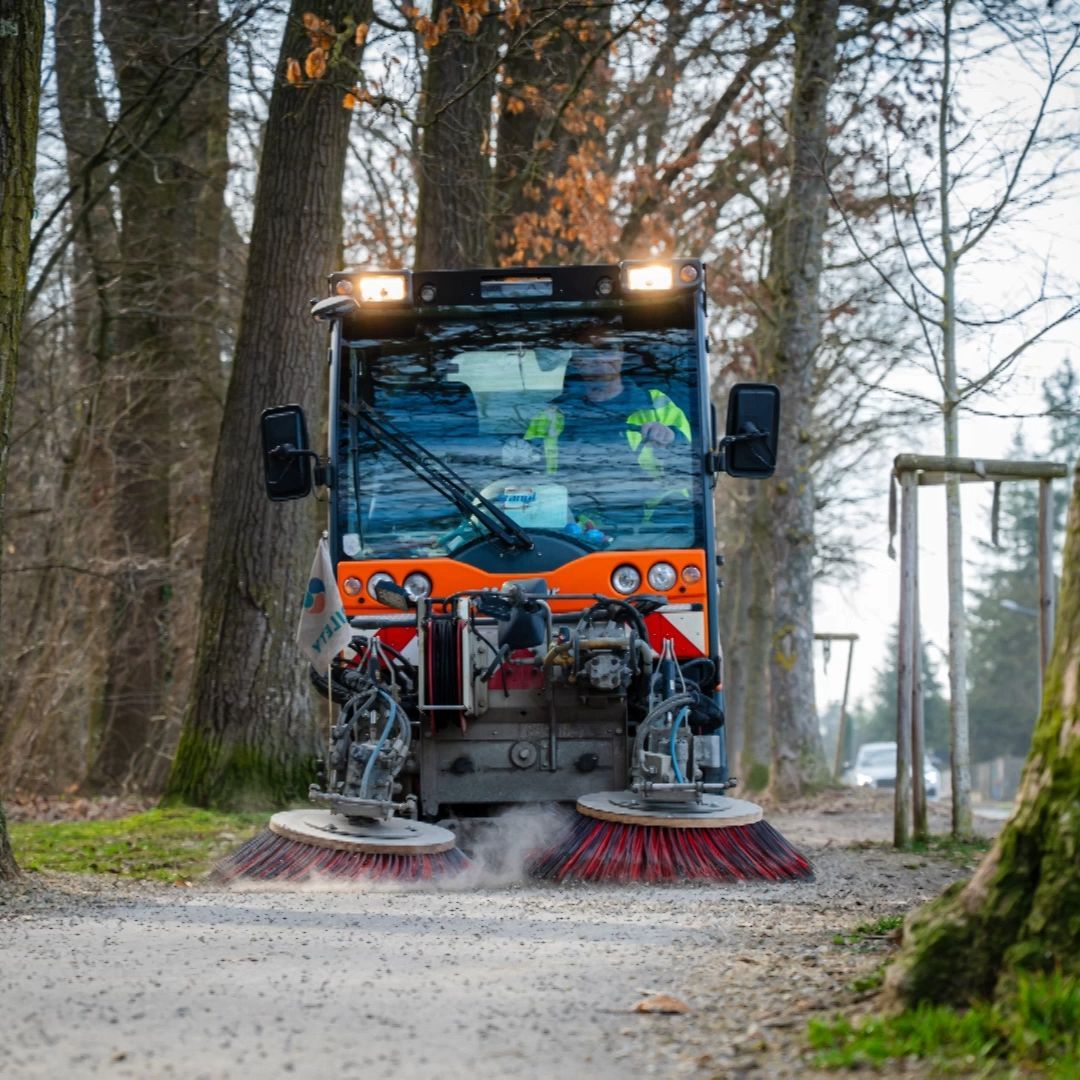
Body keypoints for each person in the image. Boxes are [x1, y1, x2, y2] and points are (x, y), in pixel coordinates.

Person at [515, 338, 692, 480]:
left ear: (621, 353)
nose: (599, 358)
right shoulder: (549, 417)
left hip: (649, 519)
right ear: (576, 360)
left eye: (607, 348)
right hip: (565, 519)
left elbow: (690, 467)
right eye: (588, 351)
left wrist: (671, 438)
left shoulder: (658, 405)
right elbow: (526, 477)